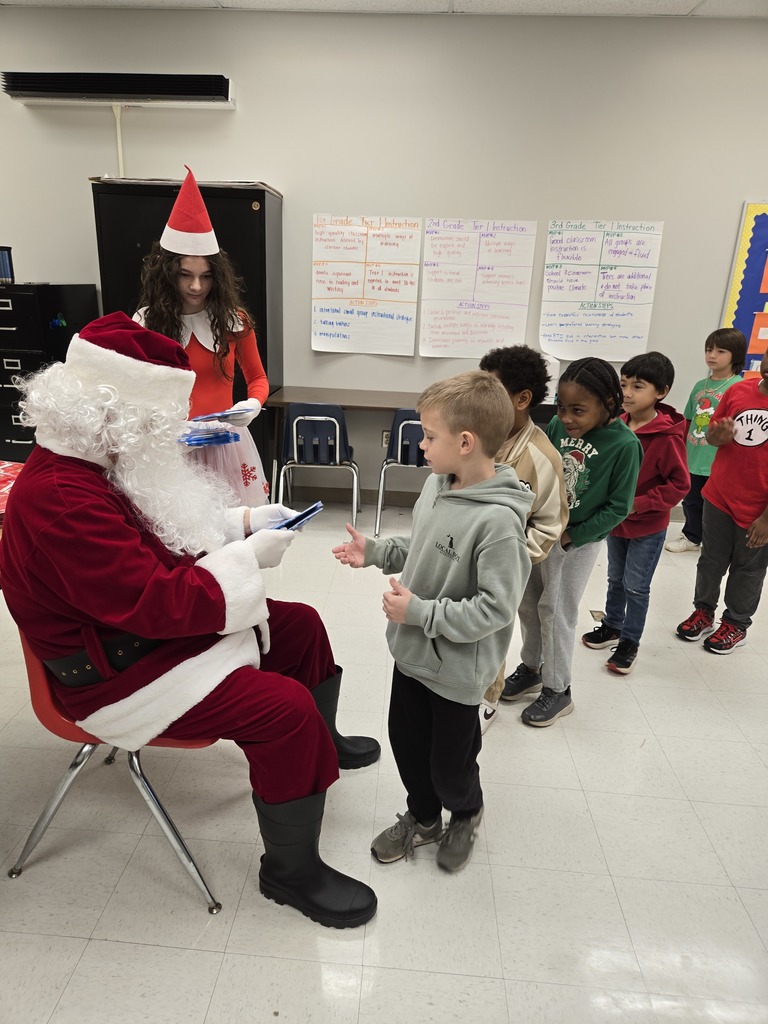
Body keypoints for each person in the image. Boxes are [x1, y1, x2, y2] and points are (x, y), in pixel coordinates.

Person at [0, 312, 380, 930]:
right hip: (115, 676)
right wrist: (246, 560)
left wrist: (244, 527)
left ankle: (321, 747)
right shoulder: (62, 500)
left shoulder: (94, 466)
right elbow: (156, 600)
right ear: (115, 415)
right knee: (282, 709)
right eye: (155, 424)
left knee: (302, 625)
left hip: (140, 640)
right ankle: (290, 873)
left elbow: (160, 539)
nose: (164, 437)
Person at [332, 371, 533, 872]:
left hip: (458, 670)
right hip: (412, 653)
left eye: (428, 435)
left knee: (450, 763)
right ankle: (423, 817)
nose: (419, 444)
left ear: (465, 442)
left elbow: (495, 609)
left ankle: (464, 811)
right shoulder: (436, 485)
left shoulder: (498, 524)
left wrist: (419, 613)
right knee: (405, 740)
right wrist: (376, 551)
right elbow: (420, 550)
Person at [501, 357, 642, 726]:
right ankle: (532, 668)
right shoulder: (558, 428)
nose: (567, 418)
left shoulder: (624, 445)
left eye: (578, 410)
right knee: (529, 604)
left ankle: (558, 689)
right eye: (562, 408)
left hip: (576, 541)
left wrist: (570, 535)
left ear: (609, 403)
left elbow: (619, 508)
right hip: (543, 531)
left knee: (557, 612)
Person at [134, 166, 269, 506]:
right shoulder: (146, 323)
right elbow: (135, 389)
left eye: (206, 276)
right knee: (179, 536)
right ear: (168, 274)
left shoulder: (233, 321)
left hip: (226, 445)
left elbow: (258, 378)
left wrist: (252, 405)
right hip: (170, 449)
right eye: (185, 275)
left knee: (234, 531)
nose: (196, 286)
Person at [475, 345, 568, 732]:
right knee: (462, 628)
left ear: (522, 399)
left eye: (490, 393)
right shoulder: (477, 436)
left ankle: (486, 699)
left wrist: (508, 558)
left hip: (502, 566)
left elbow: (549, 524)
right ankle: (461, 686)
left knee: (491, 632)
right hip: (461, 554)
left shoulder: (541, 456)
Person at [582, 352, 689, 674]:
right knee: (615, 578)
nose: (626, 393)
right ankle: (613, 625)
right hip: (616, 523)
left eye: (637, 386)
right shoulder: (616, 426)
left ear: (661, 392)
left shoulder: (668, 436)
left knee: (636, 586)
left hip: (648, 526)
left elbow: (680, 485)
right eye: (624, 384)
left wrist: (639, 504)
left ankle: (630, 640)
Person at [676, 348, 768, 653]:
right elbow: (713, 436)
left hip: (759, 510)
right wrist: (720, 435)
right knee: (711, 560)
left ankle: (736, 623)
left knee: (748, 568)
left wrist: (766, 519)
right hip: (719, 496)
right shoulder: (739, 390)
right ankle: (703, 611)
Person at [665, 328, 746, 553]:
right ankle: (691, 536)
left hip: (718, 459)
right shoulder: (700, 386)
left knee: (715, 505)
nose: (712, 355)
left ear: (735, 355)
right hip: (694, 455)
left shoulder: (739, 387)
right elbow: (688, 421)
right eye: (709, 349)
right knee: (691, 500)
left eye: (720, 351)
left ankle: (714, 542)